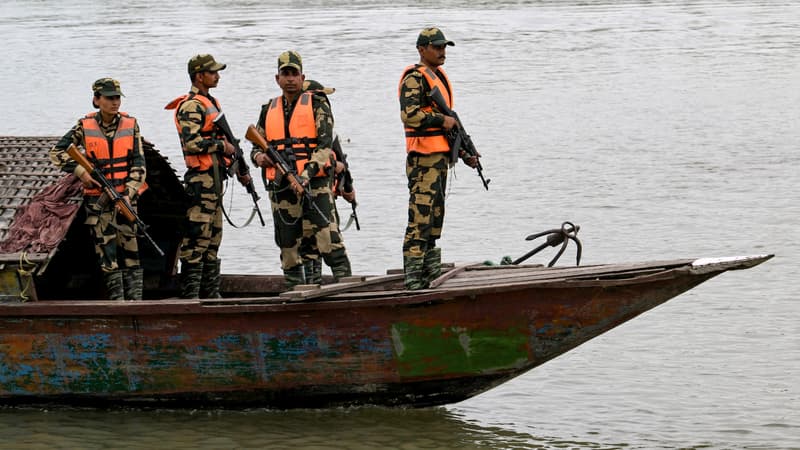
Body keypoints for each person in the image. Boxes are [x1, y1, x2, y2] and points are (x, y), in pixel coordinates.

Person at [250, 51, 351, 289]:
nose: (290, 79)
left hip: (314, 183)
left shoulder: (318, 104)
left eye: (294, 74)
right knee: (288, 244)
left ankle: (347, 288)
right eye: (285, 74)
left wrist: (304, 177)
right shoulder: (268, 109)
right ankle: (295, 290)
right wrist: (259, 157)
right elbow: (255, 145)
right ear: (277, 78)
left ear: (302, 76)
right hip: (281, 186)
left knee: (328, 238)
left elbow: (325, 145)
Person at [49, 78, 147, 300]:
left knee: (132, 253)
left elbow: (139, 165)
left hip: (125, 200)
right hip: (98, 203)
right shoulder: (84, 125)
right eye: (109, 98)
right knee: (107, 255)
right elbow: (57, 152)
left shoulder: (131, 124)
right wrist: (81, 172)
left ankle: (136, 304)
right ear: (96, 100)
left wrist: (128, 194)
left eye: (117, 98)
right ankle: (118, 304)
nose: (115, 102)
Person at [165, 54, 252, 299]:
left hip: (214, 182)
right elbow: (192, 143)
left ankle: (211, 294)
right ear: (199, 76)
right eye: (212, 72)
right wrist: (221, 146)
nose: (217, 76)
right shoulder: (192, 105)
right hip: (201, 182)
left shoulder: (210, 101)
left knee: (213, 240)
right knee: (196, 241)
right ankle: (191, 297)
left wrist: (239, 166)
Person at [398, 27, 479, 290]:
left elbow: (451, 130)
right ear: (422, 49)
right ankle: (413, 283)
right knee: (419, 221)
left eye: (444, 47)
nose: (442, 52)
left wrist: (466, 154)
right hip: (423, 160)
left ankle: (429, 277)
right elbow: (410, 115)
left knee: (434, 222)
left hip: (439, 159)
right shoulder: (415, 78)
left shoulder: (438, 77)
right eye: (437, 47)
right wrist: (440, 119)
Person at [299, 79, 356, 284]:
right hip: (311, 191)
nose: (324, 102)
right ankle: (334, 289)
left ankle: (315, 285)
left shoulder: (322, 129)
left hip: (317, 191)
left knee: (312, 246)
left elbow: (337, 160)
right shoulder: (304, 125)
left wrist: (346, 184)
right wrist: (335, 164)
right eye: (319, 96)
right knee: (323, 243)